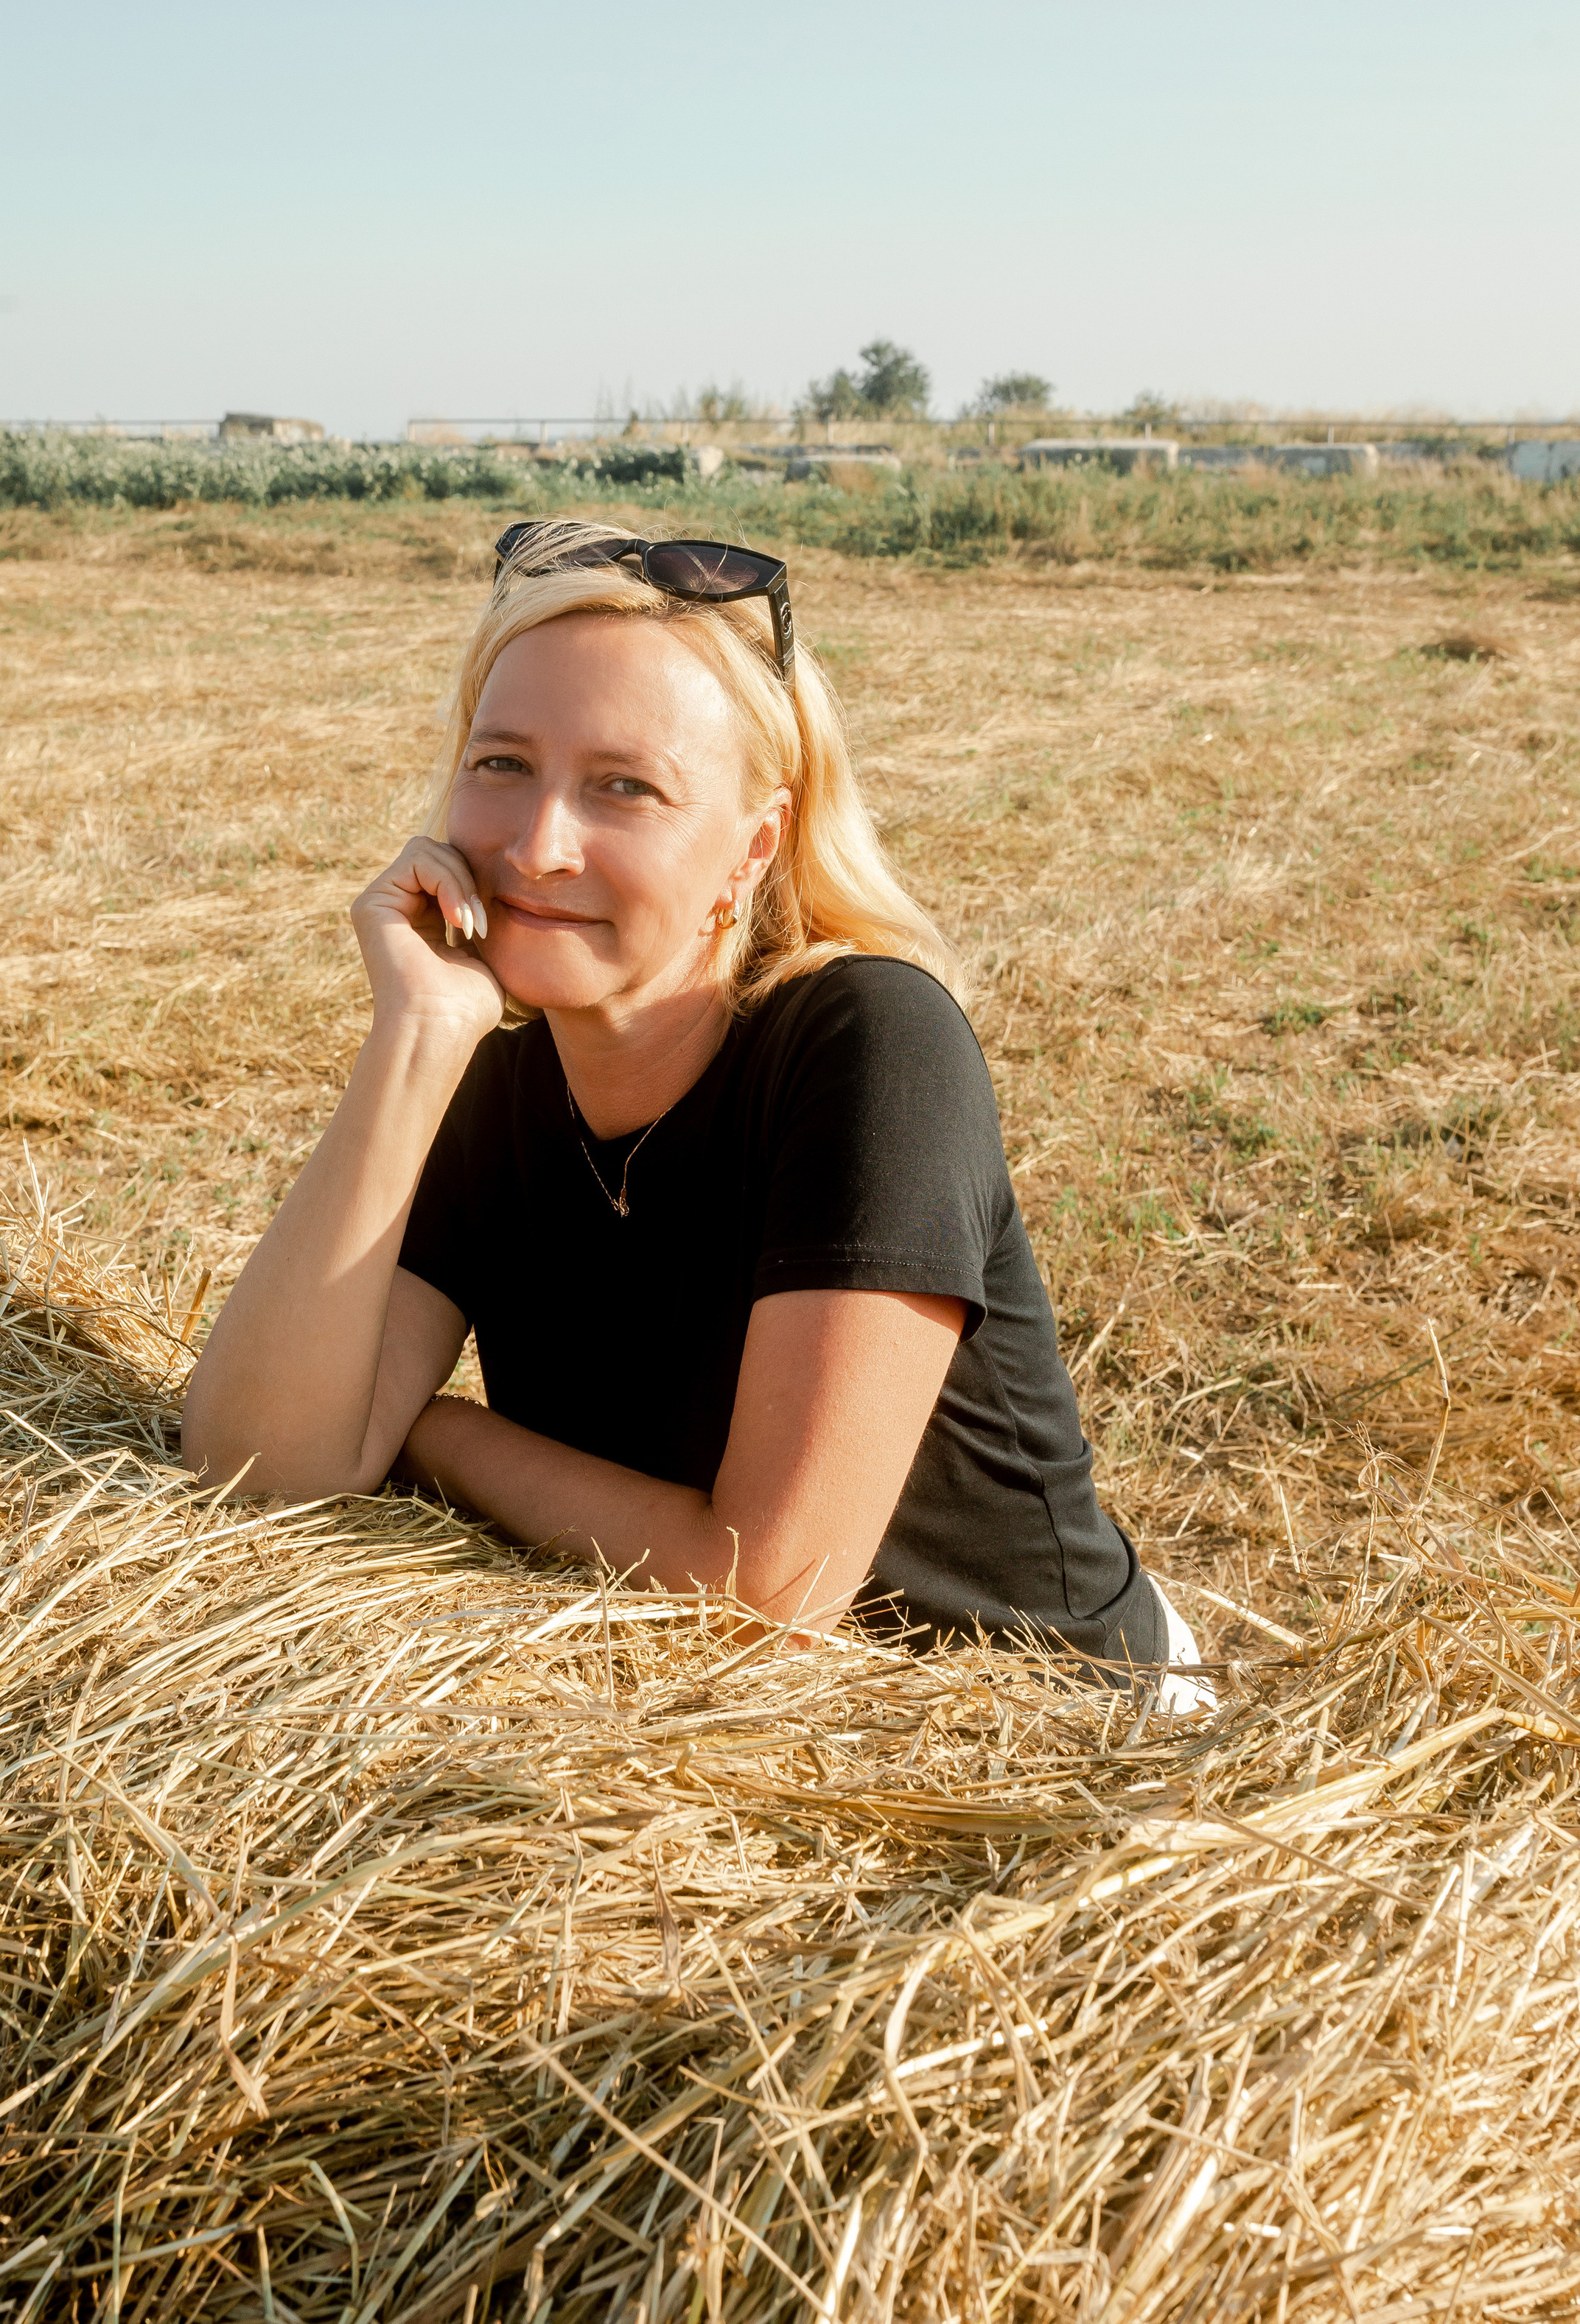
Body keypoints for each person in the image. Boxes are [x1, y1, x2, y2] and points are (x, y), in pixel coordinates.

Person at [181, 517, 1209, 1698]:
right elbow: (256, 1471)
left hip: (1060, 1729)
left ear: (755, 846)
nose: (539, 846)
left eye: (625, 788)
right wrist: (415, 1038)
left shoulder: (870, 1044)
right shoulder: (493, 1086)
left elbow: (770, 1596)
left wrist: (436, 1434)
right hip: (724, 1742)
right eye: (502, 764)